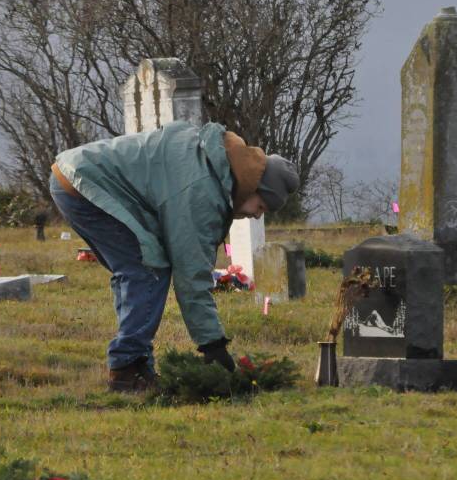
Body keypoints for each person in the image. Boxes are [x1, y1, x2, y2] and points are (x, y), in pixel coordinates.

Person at [49, 121, 300, 392]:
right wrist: (212, 344)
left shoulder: (214, 162)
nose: (257, 215)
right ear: (252, 187)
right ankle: (127, 368)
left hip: (78, 176)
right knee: (147, 269)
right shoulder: (203, 189)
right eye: (260, 206)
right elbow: (191, 274)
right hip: (85, 184)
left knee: (140, 268)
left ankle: (136, 362)